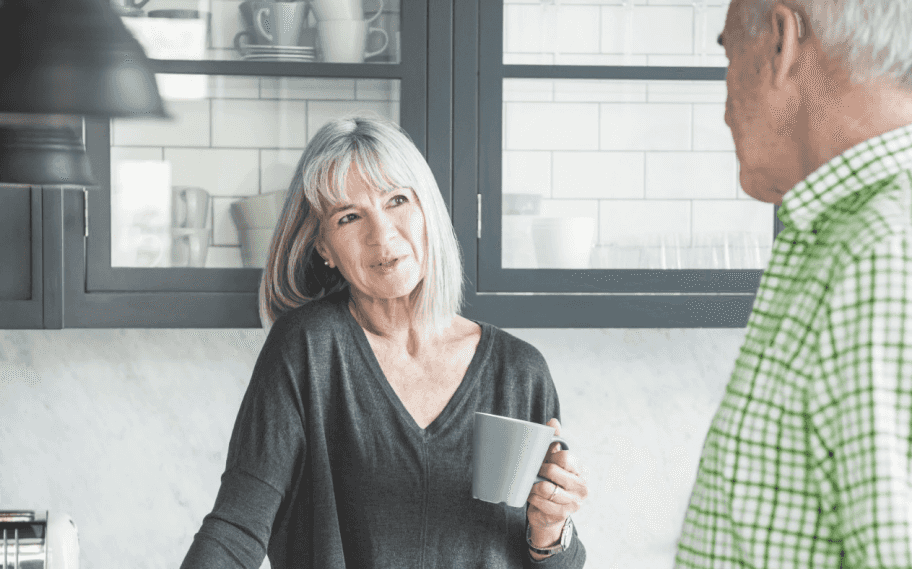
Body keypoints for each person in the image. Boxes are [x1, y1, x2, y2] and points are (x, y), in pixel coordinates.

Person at [179, 115, 588, 569]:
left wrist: (551, 529)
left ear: (427, 209)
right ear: (324, 248)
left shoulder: (519, 372)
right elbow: (236, 529)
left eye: (396, 200)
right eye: (350, 217)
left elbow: (544, 557)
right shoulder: (308, 350)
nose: (382, 235)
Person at [675, 0, 912, 567]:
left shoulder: (884, 249)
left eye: (729, 58)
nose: (725, 109)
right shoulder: (842, 235)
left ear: (780, 44)